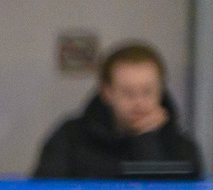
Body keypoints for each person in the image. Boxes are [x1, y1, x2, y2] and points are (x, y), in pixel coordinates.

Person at [31, 40, 204, 181]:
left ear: (160, 91)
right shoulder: (70, 139)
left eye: (147, 91)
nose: (139, 102)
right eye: (128, 93)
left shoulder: (180, 147)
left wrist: (147, 141)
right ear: (107, 92)